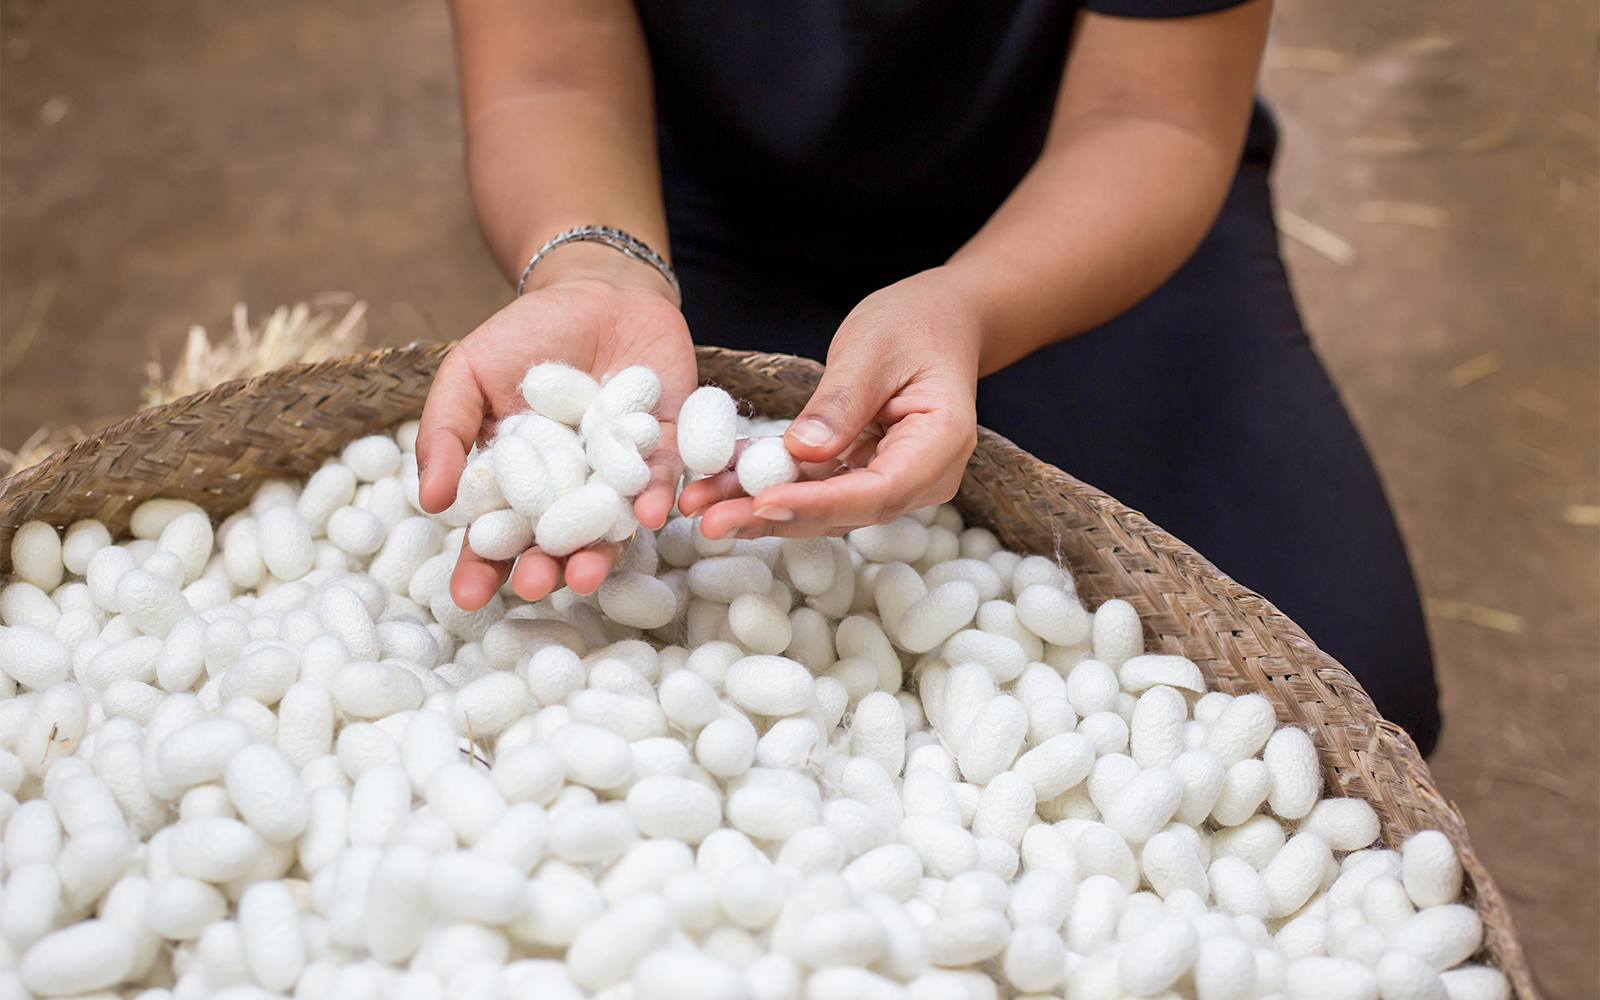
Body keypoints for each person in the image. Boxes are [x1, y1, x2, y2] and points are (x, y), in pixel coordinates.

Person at [417, 0, 1442, 753]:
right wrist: (602, 266)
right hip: (685, 213)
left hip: (1078, 203)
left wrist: (973, 304)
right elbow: (548, 73)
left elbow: (1154, 115)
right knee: (652, 681)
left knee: (1345, 687)